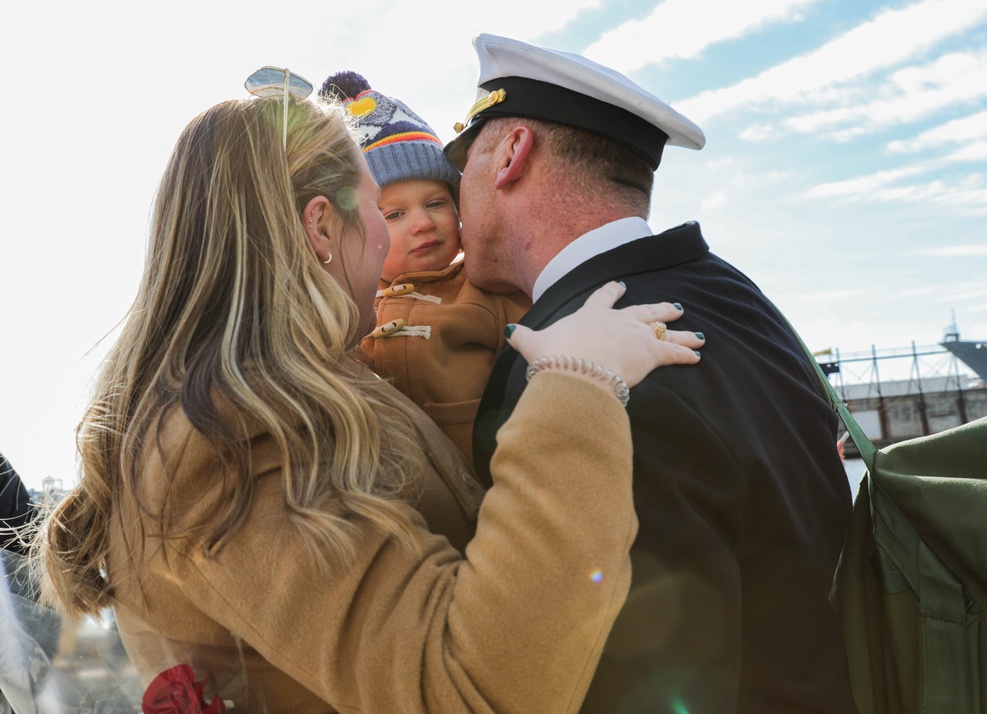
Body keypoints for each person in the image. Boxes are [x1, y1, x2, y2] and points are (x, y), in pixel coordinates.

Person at [32, 68, 705, 713]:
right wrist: (577, 385)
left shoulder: (305, 388)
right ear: (321, 227)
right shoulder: (226, 441)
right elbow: (473, 690)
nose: (391, 233)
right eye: (377, 207)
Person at [445, 34, 858, 713]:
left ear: (512, 154)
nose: (453, 193)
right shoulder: (739, 298)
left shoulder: (581, 361)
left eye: (461, 162)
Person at [318, 72, 530, 469]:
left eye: (435, 203)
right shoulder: (338, 312)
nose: (422, 223)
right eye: (394, 213)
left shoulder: (491, 290)